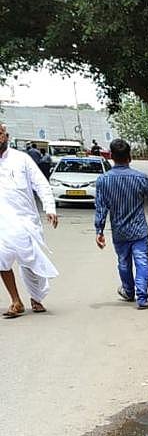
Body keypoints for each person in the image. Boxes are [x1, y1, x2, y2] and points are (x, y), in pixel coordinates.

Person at [94, 137, 148, 310]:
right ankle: (142, 298)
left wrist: (99, 230)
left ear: (111, 156)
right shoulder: (140, 178)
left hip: (119, 231)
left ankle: (128, 291)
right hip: (139, 230)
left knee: (123, 262)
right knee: (142, 261)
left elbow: (101, 207)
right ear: (129, 157)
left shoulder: (103, 180)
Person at [0, 122, 59, 318]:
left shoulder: (22, 159)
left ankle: (36, 297)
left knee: (30, 261)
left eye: (0, 133)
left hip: (25, 221)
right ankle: (16, 301)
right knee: (1, 260)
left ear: (6, 136)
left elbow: (41, 184)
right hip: (2, 223)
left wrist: (50, 208)